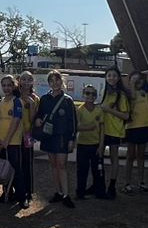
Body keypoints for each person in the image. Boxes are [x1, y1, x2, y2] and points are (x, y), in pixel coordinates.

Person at [34, 70, 77, 208]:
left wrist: (72, 139)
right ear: (49, 83)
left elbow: (73, 122)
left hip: (62, 137)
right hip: (48, 136)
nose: (55, 83)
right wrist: (38, 120)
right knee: (53, 165)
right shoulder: (44, 99)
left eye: (57, 80)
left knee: (62, 165)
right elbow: (39, 114)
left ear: (61, 81)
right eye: (51, 81)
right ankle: (58, 192)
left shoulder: (67, 100)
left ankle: (66, 195)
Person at [0, 75, 26, 206]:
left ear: (13, 86)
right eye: (4, 85)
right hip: (1, 142)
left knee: (16, 169)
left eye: (9, 85)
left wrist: (7, 139)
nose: (6, 88)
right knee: (3, 169)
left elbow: (16, 121)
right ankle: (7, 193)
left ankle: (22, 197)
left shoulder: (17, 102)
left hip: (13, 142)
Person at [99, 67, 129, 200]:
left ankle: (112, 185)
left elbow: (126, 115)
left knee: (114, 158)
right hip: (102, 130)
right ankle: (99, 184)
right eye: (109, 75)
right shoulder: (103, 92)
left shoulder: (121, 95)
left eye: (114, 75)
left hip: (115, 131)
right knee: (99, 157)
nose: (111, 78)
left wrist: (109, 110)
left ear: (118, 78)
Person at [74, 84, 106, 200]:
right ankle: (80, 192)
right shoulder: (80, 110)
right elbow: (76, 127)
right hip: (83, 144)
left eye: (93, 94)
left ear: (96, 96)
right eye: (87, 93)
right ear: (83, 95)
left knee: (98, 169)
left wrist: (101, 145)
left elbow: (102, 129)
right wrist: (89, 127)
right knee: (82, 170)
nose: (90, 96)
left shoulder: (99, 110)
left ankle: (100, 191)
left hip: (96, 144)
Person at [123, 71, 148, 194]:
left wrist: (139, 75)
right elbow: (133, 97)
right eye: (134, 80)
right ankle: (127, 183)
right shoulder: (129, 93)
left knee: (141, 155)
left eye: (139, 80)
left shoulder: (145, 92)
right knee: (130, 156)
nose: (137, 82)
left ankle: (141, 181)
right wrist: (132, 83)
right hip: (132, 127)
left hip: (144, 126)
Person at [16, 71, 40, 203]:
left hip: (27, 134)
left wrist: (31, 105)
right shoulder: (15, 96)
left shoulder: (35, 99)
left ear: (32, 82)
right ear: (19, 81)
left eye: (29, 79)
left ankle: (27, 192)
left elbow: (32, 120)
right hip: (14, 134)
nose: (26, 81)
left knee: (27, 163)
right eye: (23, 79)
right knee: (15, 163)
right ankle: (13, 190)